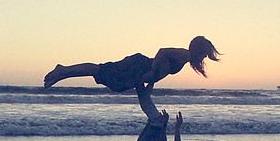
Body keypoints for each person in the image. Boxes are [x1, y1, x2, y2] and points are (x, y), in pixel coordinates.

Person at [43, 36, 220, 92]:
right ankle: (63, 70)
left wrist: (150, 82)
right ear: (198, 49)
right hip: (139, 65)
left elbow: (163, 69)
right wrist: (151, 72)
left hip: (142, 71)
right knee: (100, 70)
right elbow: (162, 52)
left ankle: (63, 73)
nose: (205, 57)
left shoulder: (186, 58)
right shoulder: (185, 54)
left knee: (108, 77)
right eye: (205, 53)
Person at [131, 83, 222, 141]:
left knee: (156, 120)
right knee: (157, 120)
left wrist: (177, 128)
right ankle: (141, 85)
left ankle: (143, 85)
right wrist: (164, 124)